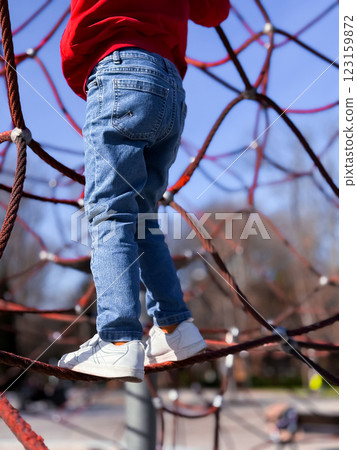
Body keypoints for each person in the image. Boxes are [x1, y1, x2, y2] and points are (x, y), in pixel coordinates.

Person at [58, 0, 230, 382]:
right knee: (141, 218)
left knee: (110, 211)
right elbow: (214, 11)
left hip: (119, 68)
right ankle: (175, 328)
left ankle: (119, 339)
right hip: (170, 88)